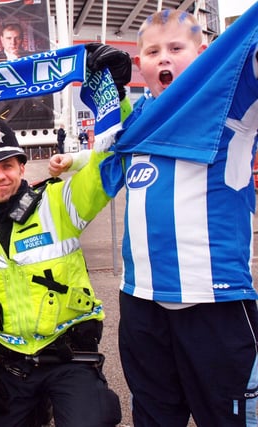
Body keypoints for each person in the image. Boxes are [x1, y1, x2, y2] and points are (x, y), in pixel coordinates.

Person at [52, 9, 258, 426]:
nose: (163, 58)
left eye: (176, 48)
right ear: (140, 64)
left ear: (204, 54)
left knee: (231, 418)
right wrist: (74, 156)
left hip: (215, 302)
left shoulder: (232, 101)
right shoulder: (140, 121)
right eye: (152, 51)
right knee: (153, 415)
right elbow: (113, 149)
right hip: (141, 303)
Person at [0, 109, 122, 426]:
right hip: (9, 360)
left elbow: (109, 163)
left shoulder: (59, 202)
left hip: (68, 354)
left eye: (7, 166)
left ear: (21, 166)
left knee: (93, 419)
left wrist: (113, 101)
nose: (0, 176)